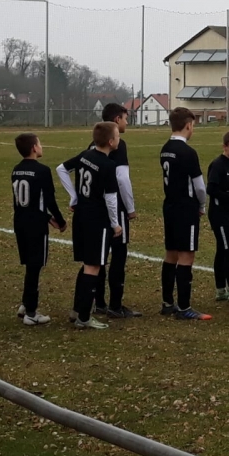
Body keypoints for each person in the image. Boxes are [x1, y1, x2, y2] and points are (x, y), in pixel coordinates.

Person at [57, 122, 123, 330]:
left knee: (88, 264)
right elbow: (111, 198)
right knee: (93, 266)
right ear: (111, 141)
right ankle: (84, 317)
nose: (119, 139)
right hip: (97, 220)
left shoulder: (85, 155)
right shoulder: (108, 165)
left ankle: (78, 309)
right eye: (117, 136)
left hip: (81, 217)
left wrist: (74, 196)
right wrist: (115, 224)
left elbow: (61, 169)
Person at [159, 107, 210, 320]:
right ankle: (184, 307)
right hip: (186, 208)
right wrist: (202, 205)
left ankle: (167, 302)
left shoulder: (165, 148)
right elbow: (199, 186)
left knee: (171, 254)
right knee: (186, 255)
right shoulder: (188, 152)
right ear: (188, 125)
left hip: (170, 206)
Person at [89, 103, 139, 319]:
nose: (127, 123)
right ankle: (116, 305)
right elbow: (122, 178)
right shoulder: (119, 144)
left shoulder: (94, 143)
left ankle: (99, 302)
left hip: (97, 208)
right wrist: (130, 208)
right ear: (117, 120)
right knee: (118, 256)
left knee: (100, 255)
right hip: (115, 207)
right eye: (125, 118)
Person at [12, 133, 67, 326]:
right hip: (35, 225)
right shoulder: (42, 171)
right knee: (35, 266)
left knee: (30, 265)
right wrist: (60, 220)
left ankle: (25, 304)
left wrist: (47, 218)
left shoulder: (16, 170)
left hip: (20, 222)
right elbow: (49, 200)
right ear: (34, 148)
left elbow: (26, 203)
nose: (41, 146)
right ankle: (31, 313)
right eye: (40, 143)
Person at [207, 130, 229, 304]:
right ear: (225, 146)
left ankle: (220, 288)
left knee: (224, 248)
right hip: (219, 214)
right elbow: (211, 189)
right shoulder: (218, 165)